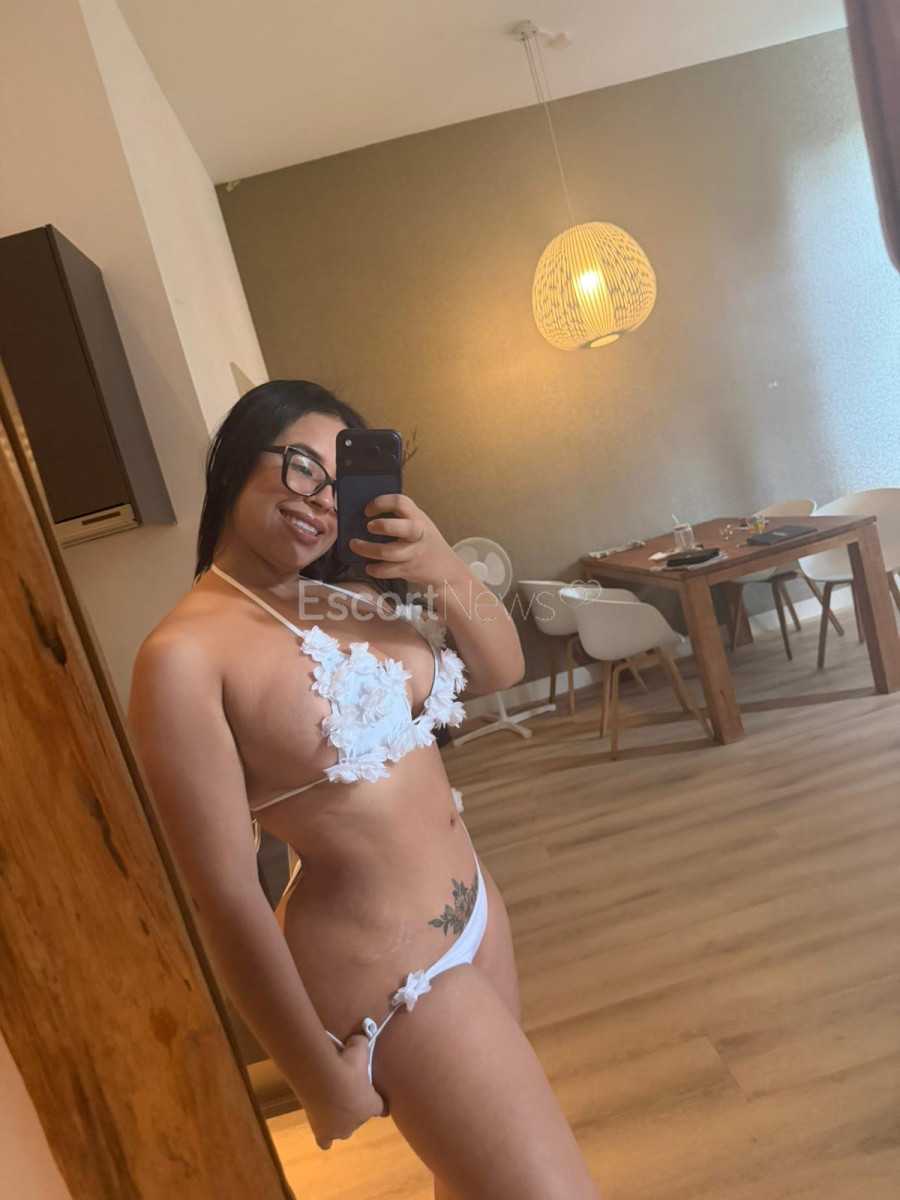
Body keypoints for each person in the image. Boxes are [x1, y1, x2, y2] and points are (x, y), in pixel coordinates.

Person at [128, 381, 601, 1199]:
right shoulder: (181, 657)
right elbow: (223, 894)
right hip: (392, 974)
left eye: (340, 483)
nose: (320, 498)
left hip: (477, 914)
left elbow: (502, 666)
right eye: (300, 466)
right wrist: (314, 1077)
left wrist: (438, 560)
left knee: (476, 1181)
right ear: (237, 460)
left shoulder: (347, 594)